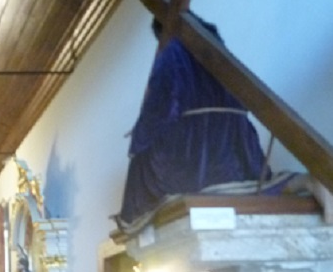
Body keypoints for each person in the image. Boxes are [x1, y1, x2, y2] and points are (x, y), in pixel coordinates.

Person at [116, 16, 294, 230]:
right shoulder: (217, 47)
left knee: (143, 164)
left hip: (194, 148)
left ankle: (132, 217)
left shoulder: (173, 52)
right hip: (235, 144)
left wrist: (139, 137)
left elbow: (162, 106)